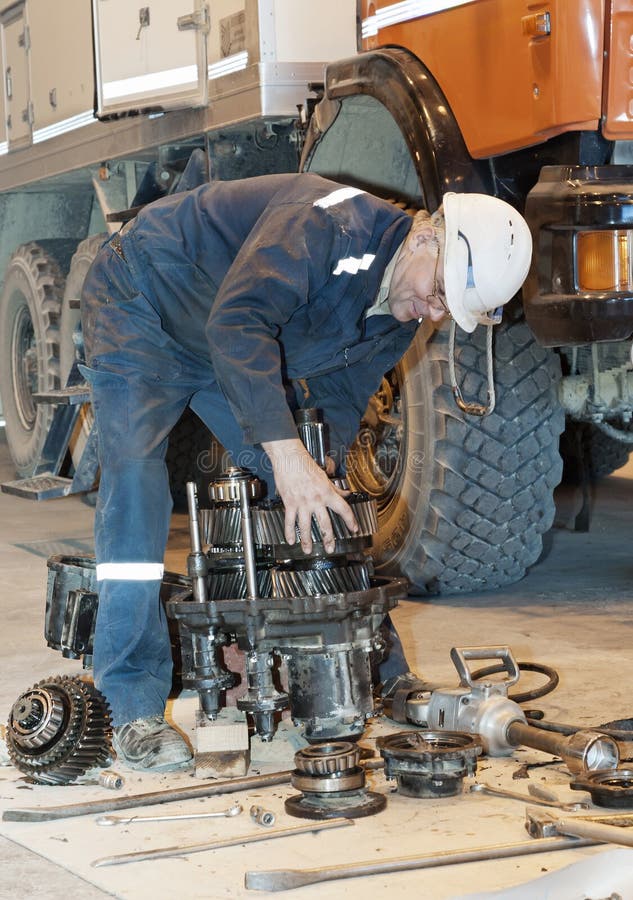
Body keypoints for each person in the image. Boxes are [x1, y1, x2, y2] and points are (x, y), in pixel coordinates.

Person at [80, 172, 532, 771]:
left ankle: (379, 674)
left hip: (218, 343)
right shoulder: (327, 220)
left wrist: (314, 471)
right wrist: (289, 458)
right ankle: (130, 707)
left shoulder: (400, 312)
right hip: (145, 299)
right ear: (428, 237)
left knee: (306, 500)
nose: (432, 310)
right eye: (438, 290)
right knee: (137, 482)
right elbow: (238, 324)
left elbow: (341, 398)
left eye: (447, 307)